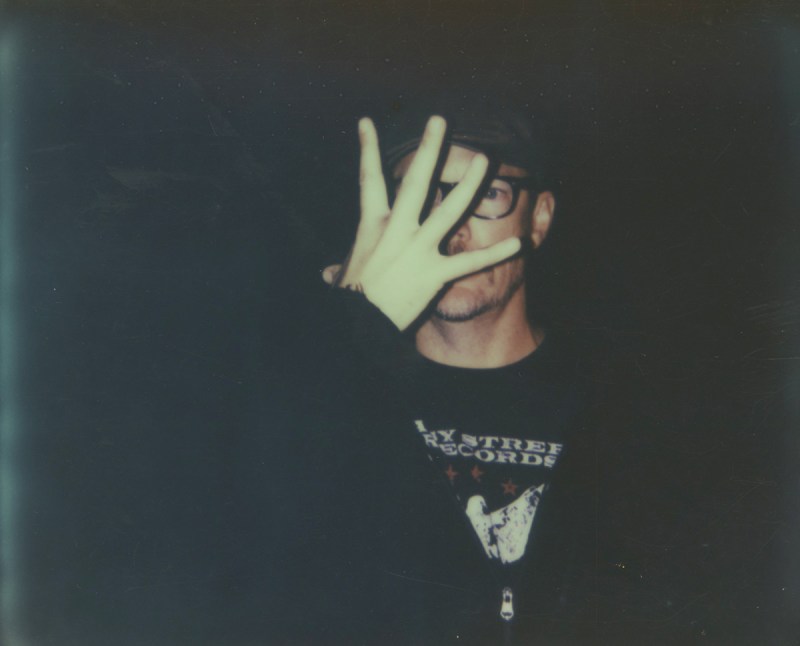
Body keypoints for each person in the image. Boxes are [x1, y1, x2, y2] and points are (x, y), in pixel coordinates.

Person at [285, 106, 593, 645]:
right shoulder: (332, 388)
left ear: (539, 218)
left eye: (488, 193)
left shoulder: (622, 403)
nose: (450, 229)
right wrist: (346, 333)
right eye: (421, 195)